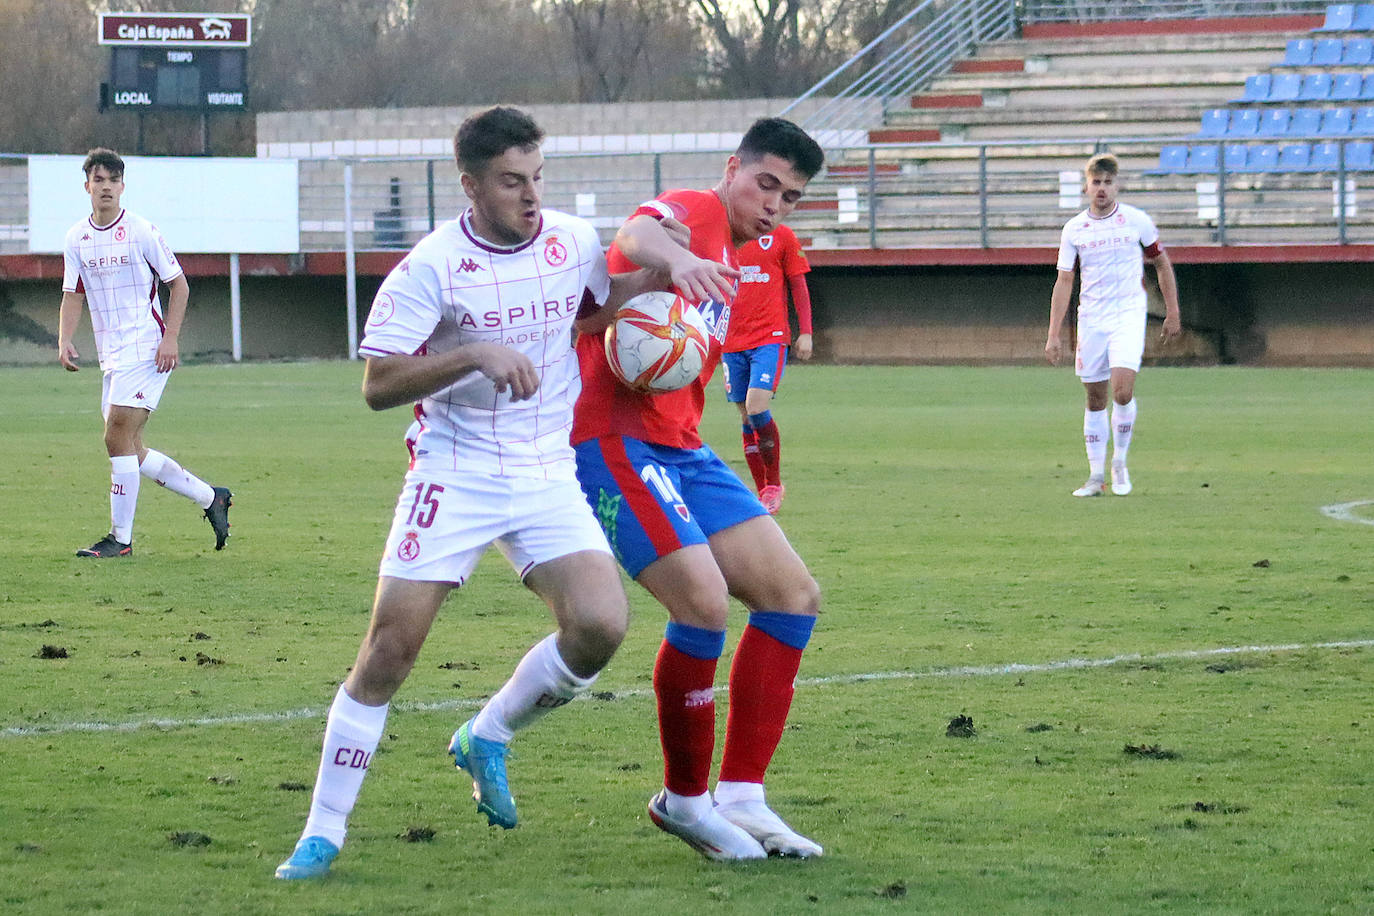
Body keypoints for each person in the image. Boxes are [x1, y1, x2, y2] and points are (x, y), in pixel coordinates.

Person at [276, 106, 676, 880]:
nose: (530, 196)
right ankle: (322, 832)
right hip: (454, 472)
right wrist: (475, 355)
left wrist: (656, 282)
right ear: (470, 186)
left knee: (599, 625)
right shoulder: (431, 266)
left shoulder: (570, 240)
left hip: (543, 468)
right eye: (510, 181)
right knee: (389, 652)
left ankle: (486, 735)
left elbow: (587, 312)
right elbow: (378, 384)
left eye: (536, 177)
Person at [571, 117, 827, 861]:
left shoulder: (747, 251)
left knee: (792, 595)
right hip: (612, 440)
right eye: (766, 183)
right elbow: (638, 231)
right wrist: (676, 261)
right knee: (704, 604)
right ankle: (684, 802)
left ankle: (743, 794)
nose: (775, 203)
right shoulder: (697, 211)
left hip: (681, 448)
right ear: (733, 170)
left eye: (791, 195)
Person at [57, 148, 232, 557]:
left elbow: (179, 285)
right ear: (87, 186)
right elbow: (72, 293)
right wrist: (65, 338)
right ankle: (211, 497)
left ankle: (120, 540)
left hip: (147, 348)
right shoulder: (76, 238)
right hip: (112, 354)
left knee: (116, 433)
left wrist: (170, 339)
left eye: (112, 181)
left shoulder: (141, 231)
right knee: (130, 448)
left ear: (122, 187)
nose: (105, 187)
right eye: (98, 180)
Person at [1045, 152, 1181, 497]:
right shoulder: (1074, 229)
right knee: (1095, 397)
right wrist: (1054, 334)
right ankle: (1095, 476)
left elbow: (1161, 264)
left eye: (1107, 182)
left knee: (1122, 390)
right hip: (1091, 318)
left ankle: (1119, 463)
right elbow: (1064, 282)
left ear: (1116, 185)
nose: (1102, 188)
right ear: (1086, 187)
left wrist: (1172, 310)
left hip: (1128, 315)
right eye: (1096, 182)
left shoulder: (1136, 221)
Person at [721, 222, 813, 514]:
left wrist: (806, 332)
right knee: (747, 416)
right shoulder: (726, 235)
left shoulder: (782, 235)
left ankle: (773, 484)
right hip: (731, 340)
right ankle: (762, 491)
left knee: (756, 406)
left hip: (769, 337)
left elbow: (798, 285)